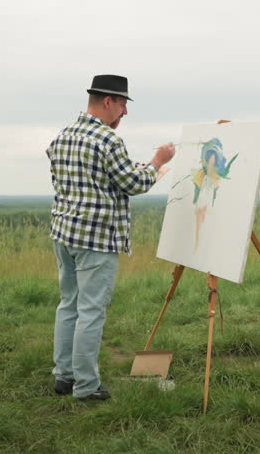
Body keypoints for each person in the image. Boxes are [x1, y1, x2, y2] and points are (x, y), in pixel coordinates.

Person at [46, 74, 175, 402]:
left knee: (69, 305)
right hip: (96, 239)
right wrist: (158, 163)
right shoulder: (107, 140)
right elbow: (134, 184)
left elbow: (97, 178)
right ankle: (86, 387)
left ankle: (64, 376)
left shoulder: (63, 136)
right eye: (122, 104)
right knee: (91, 311)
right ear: (108, 101)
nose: (125, 112)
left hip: (64, 234)